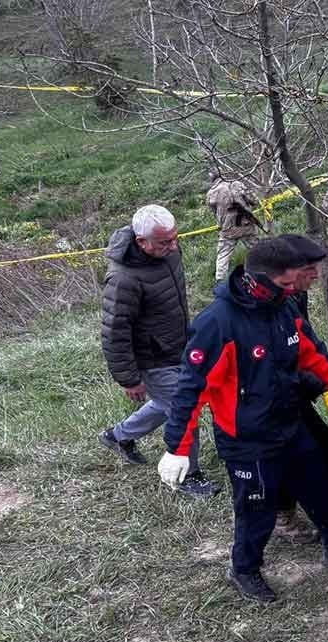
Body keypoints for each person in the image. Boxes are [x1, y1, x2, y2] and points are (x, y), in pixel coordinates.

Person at [158, 237, 328, 603]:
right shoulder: (218, 324)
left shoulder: (283, 307)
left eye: (296, 283)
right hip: (247, 438)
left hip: (290, 422)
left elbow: (311, 356)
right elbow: (191, 388)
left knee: (317, 485)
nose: (295, 288)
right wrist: (178, 447)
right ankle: (244, 568)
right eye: (286, 284)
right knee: (256, 508)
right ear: (258, 279)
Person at [97, 205, 215, 498]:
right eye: (165, 242)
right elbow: (115, 331)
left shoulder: (168, 251)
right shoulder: (123, 279)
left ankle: (118, 436)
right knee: (183, 410)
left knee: (168, 403)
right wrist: (128, 378)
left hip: (178, 345)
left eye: (175, 238)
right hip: (151, 358)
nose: (174, 246)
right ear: (141, 242)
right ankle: (187, 475)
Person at [272, 234, 328, 540]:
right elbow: (280, 363)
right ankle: (283, 514)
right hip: (272, 399)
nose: (317, 276)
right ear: (288, 270)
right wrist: (317, 379)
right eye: (309, 269)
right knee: (291, 451)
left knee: (317, 436)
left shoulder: (293, 295)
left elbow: (306, 340)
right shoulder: (269, 304)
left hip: (297, 387)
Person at [206, 169, 263, 281]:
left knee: (222, 256)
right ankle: (264, 272)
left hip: (227, 230)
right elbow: (254, 200)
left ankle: (220, 282)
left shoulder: (211, 193)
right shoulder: (237, 184)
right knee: (257, 250)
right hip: (246, 226)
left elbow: (214, 212)